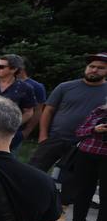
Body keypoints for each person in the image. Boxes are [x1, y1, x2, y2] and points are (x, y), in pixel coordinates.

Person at [31, 53, 107, 211]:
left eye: (101, 68)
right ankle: (25, 202)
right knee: (34, 170)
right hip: (56, 138)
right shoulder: (65, 86)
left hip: (85, 143)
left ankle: (59, 211)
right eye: (92, 66)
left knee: (70, 180)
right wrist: (43, 135)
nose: (94, 70)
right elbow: (48, 110)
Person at [60, 103, 107, 221]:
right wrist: (95, 129)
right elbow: (80, 131)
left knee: (105, 195)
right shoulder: (99, 110)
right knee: (82, 191)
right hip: (86, 154)